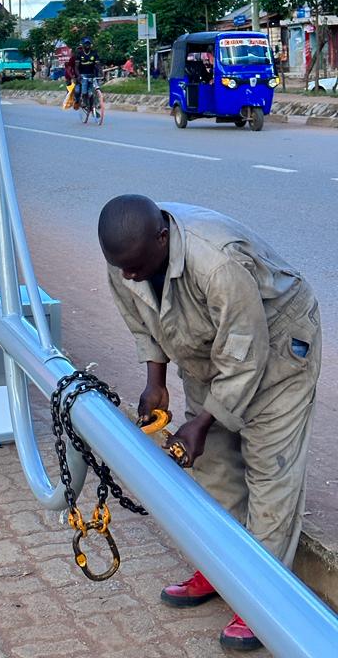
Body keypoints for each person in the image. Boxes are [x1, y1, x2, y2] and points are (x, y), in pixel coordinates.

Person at [97, 195, 321, 652]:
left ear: (163, 237)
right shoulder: (126, 258)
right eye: (122, 269)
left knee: (268, 469)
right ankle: (224, 570)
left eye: (136, 267)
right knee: (212, 466)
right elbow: (144, 323)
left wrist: (201, 423)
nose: (130, 277)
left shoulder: (216, 262)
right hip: (207, 347)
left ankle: (264, 599)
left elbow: (246, 352)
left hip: (276, 343)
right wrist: (154, 383)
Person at [74, 37, 100, 108]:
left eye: (89, 43)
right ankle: (82, 101)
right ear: (83, 45)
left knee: (93, 91)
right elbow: (76, 67)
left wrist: (100, 72)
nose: (87, 45)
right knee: (83, 92)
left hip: (92, 75)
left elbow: (97, 65)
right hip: (82, 75)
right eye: (86, 44)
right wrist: (78, 75)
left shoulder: (94, 53)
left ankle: (95, 104)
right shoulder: (79, 54)